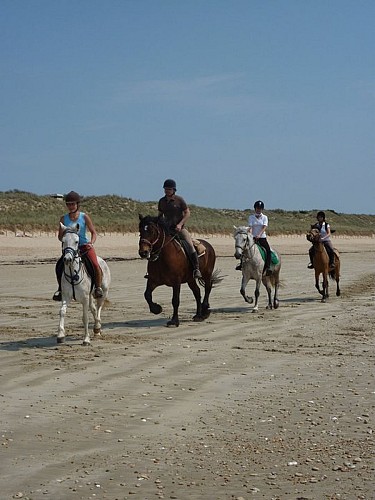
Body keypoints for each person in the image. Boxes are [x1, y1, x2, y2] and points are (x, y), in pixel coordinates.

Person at [52, 191, 103, 301]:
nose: (70, 206)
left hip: (84, 247)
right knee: (59, 266)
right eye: (68, 204)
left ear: (77, 204)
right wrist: (66, 238)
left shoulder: (84, 217)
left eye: (72, 204)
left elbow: (94, 233)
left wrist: (91, 243)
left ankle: (98, 288)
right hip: (70, 248)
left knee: (95, 264)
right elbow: (60, 237)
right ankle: (60, 289)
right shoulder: (63, 219)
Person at [157, 179, 202, 279]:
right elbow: (160, 215)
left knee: (190, 245)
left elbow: (187, 213)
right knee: (157, 245)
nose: (167, 191)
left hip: (179, 229)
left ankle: (196, 269)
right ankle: (154, 271)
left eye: (169, 189)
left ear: (174, 190)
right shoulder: (161, 201)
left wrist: (180, 224)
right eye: (165, 189)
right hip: (167, 229)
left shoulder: (179, 200)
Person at [236, 200, 272, 276]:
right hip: (253, 237)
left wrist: (259, 235)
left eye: (260, 208)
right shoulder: (251, 217)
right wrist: (251, 235)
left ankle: (268, 267)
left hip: (262, 237)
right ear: (255, 209)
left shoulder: (265, 217)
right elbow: (250, 227)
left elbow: (264, 227)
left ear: (262, 209)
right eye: (257, 208)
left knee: (268, 250)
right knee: (244, 249)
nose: (259, 210)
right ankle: (241, 264)